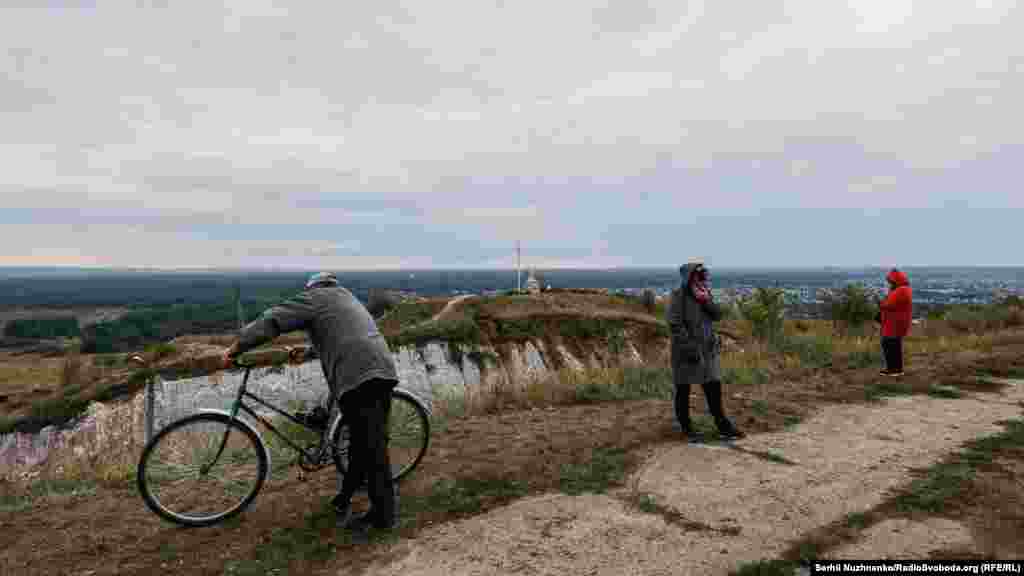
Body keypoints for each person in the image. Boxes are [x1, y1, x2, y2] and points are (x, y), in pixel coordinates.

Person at [221, 271, 400, 531]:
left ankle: (384, 518)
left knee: (372, 450)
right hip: (381, 370)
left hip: (358, 377)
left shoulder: (315, 298)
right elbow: (338, 334)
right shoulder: (346, 298)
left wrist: (236, 347)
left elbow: (274, 320)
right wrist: (306, 352)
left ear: (313, 288)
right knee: (362, 446)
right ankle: (345, 498)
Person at [666, 260, 745, 443]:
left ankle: (723, 425)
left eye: (704, 274)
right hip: (686, 351)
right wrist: (690, 347)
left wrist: (706, 301)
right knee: (683, 389)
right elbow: (674, 324)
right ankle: (686, 428)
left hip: (707, 349)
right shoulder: (678, 295)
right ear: (689, 276)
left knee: (713, 386)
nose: (703, 277)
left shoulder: (704, 292)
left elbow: (717, 315)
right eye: (699, 274)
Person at [877, 268, 913, 377]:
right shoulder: (904, 289)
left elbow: (887, 304)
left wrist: (879, 301)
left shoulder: (900, 290)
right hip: (895, 322)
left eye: (891, 281)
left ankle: (893, 370)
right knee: (894, 346)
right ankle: (896, 369)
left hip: (894, 324)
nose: (889, 283)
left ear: (895, 280)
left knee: (889, 345)